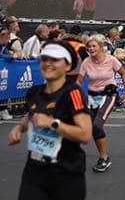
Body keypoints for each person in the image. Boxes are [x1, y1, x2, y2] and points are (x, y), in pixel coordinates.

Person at [6, 40, 92, 200]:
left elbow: (85, 134)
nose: (48, 64)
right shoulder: (34, 92)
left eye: (54, 60)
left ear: (67, 65)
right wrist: (19, 128)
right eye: (44, 59)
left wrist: (53, 124)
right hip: (34, 172)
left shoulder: (73, 93)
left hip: (66, 174)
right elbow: (32, 113)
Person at [78, 34, 125, 173]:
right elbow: (79, 82)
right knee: (90, 128)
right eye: (89, 46)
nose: (91, 49)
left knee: (97, 125)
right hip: (92, 97)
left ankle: (103, 157)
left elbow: (123, 74)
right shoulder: (86, 62)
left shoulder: (111, 60)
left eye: (94, 46)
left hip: (108, 94)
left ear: (101, 47)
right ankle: (104, 157)